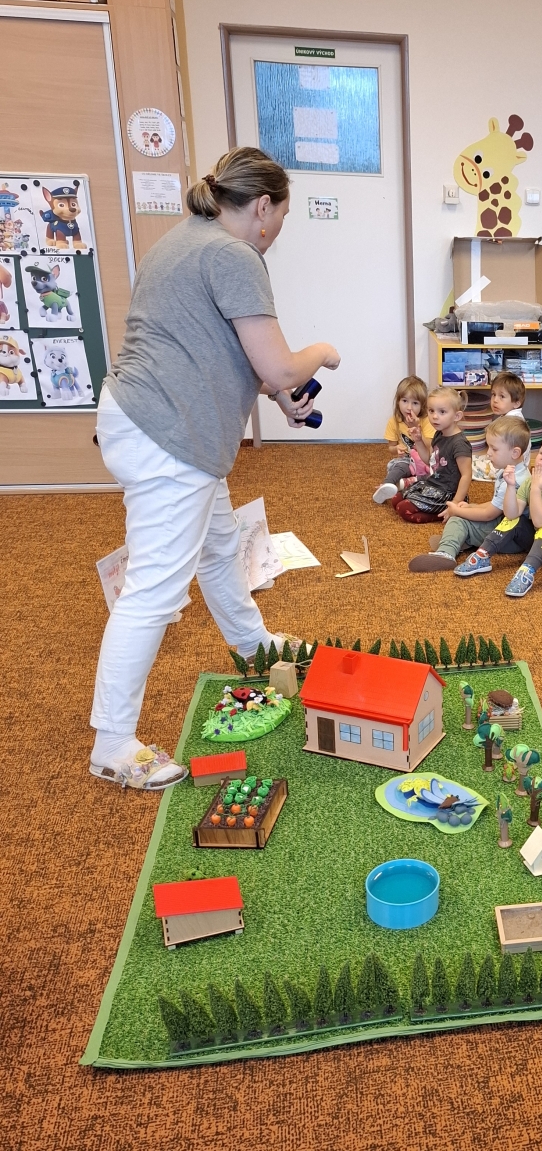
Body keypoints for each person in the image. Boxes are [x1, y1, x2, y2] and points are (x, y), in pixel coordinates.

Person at [89, 146, 340, 790]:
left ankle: (254, 646)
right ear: (263, 207)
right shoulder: (235, 255)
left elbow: (224, 350)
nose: (276, 232)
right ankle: (113, 744)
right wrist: (319, 353)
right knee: (154, 590)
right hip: (170, 431)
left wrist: (278, 393)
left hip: (153, 419)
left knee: (220, 544)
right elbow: (279, 363)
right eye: (280, 219)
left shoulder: (185, 239)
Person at [454, 433, 542, 597]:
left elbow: (540, 521)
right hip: (540, 539)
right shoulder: (530, 482)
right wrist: (510, 486)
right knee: (516, 519)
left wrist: (536, 489)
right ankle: (483, 555)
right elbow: (511, 514)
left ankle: (526, 572)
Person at [407, 415, 530, 571]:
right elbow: (496, 505)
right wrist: (471, 507)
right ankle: (458, 539)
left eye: (494, 449)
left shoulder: (511, 481)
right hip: (511, 530)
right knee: (468, 508)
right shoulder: (517, 471)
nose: (488, 453)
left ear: (515, 453)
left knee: (459, 519)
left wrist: (457, 511)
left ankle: (446, 552)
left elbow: (489, 515)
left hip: (508, 538)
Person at [374, 385, 472, 522]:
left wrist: (455, 504)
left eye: (442, 412)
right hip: (433, 484)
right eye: (431, 411)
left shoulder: (459, 444)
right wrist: (418, 440)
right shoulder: (439, 434)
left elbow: (467, 475)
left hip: (448, 493)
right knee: (396, 499)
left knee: (403, 509)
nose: (434, 416)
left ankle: (444, 514)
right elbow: (429, 461)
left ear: (457, 416)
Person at [380, 374, 434, 491]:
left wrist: (415, 427)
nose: (409, 407)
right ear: (398, 402)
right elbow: (391, 447)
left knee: (438, 471)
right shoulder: (394, 421)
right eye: (405, 401)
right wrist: (396, 449)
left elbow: (430, 446)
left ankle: (408, 482)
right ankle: (386, 486)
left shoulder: (427, 421)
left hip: (425, 460)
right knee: (396, 467)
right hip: (407, 460)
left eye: (415, 403)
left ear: (422, 405)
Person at [472, 371, 530, 480]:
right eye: (493, 394)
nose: (495, 400)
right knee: (474, 458)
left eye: (502, 396)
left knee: (469, 465)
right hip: (512, 464)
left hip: (508, 468)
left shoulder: (511, 422)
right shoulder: (510, 416)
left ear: (516, 403)